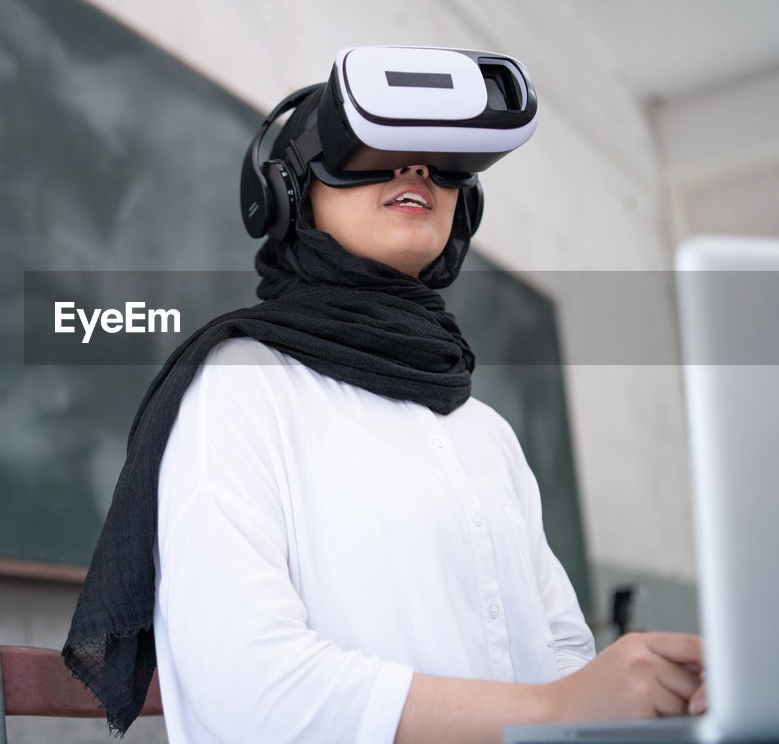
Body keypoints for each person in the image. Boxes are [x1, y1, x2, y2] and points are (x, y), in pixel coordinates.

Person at [64, 83, 705, 743]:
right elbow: (248, 692)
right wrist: (554, 710)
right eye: (366, 146)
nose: (415, 168)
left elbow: (564, 658)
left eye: (440, 159)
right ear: (287, 192)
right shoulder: (242, 386)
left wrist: (641, 692)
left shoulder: (487, 433)